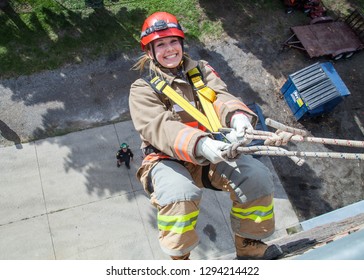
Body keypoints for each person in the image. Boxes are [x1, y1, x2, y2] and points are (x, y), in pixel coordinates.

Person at [129, 11, 284, 260]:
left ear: (181, 43)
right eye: (160, 45)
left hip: (211, 154)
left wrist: (237, 116)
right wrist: (199, 143)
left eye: (173, 41)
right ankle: (180, 260)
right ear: (150, 52)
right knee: (179, 194)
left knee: (257, 176)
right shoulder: (143, 89)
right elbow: (157, 125)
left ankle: (248, 244)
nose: (169, 49)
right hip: (167, 160)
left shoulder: (201, 71)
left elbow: (220, 96)